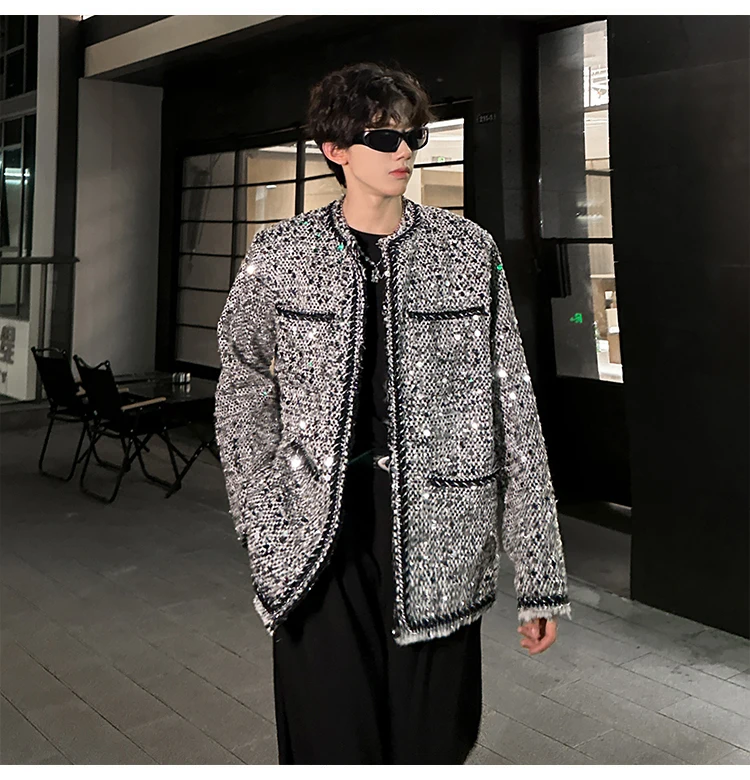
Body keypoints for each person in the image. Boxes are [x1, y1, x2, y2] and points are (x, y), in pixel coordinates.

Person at [214, 62, 572, 765]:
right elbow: (243, 385)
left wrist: (539, 575)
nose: (404, 151)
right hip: (315, 536)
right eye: (383, 138)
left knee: (431, 742)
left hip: (445, 538)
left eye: (413, 136)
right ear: (336, 149)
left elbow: (514, 408)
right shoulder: (282, 255)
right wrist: (262, 515)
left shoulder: (468, 252)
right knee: (330, 738)